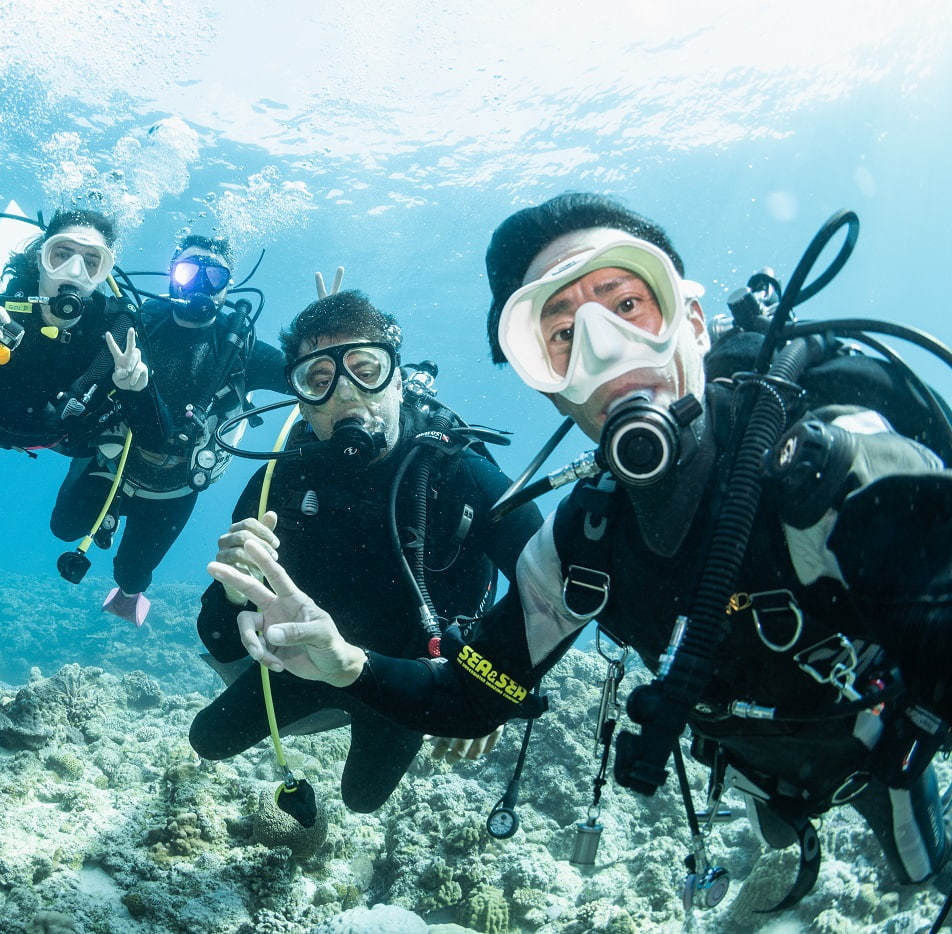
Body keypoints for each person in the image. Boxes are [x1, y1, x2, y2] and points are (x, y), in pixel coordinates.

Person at [209, 194, 952, 905]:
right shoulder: (581, 543)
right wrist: (345, 662)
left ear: (693, 322)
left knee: (920, 864)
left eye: (627, 304)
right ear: (546, 381)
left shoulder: (828, 472)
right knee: (792, 823)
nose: (606, 352)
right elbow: (470, 697)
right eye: (562, 334)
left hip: (896, 738)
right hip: (755, 764)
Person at [190, 290, 542, 812]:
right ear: (301, 402)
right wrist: (231, 595)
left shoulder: (460, 474)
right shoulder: (279, 485)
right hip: (304, 659)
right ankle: (326, 710)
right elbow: (218, 640)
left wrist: (489, 687)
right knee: (206, 740)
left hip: (402, 673)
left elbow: (551, 586)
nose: (345, 394)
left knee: (363, 799)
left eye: (365, 369)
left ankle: (349, 712)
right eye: (318, 380)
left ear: (397, 379)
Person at [50, 234, 287, 626]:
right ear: (171, 276)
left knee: (131, 576)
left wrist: (326, 347)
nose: (200, 285)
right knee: (63, 529)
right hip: (113, 464)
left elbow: (304, 377)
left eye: (215, 276)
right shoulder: (137, 324)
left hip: (174, 488)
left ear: (228, 287)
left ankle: (128, 597)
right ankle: (107, 519)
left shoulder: (242, 349)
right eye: (188, 272)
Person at [0, 210, 165, 463]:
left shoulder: (119, 332)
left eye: (91, 262)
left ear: (102, 274)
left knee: (92, 449)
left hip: (66, 436)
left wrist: (138, 390)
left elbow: (156, 441)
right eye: (62, 255)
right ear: (41, 260)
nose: (74, 272)